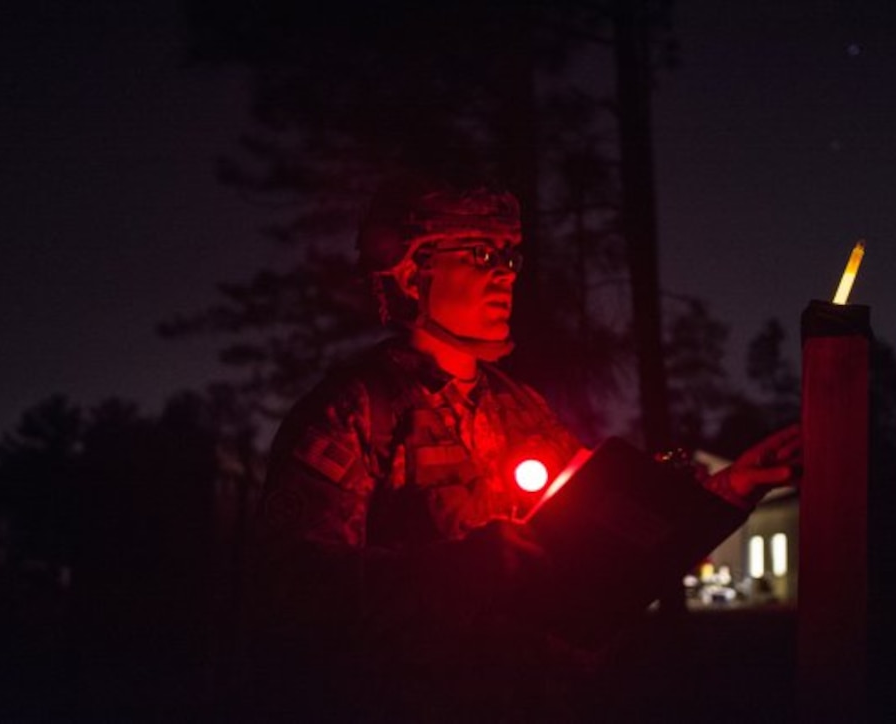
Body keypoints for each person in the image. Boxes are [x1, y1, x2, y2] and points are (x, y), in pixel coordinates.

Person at [243, 174, 800, 721]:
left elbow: (612, 535)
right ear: (413, 276)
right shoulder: (354, 410)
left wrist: (728, 491)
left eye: (510, 260)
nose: (505, 276)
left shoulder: (523, 407)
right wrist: (459, 569)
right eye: (481, 256)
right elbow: (295, 585)